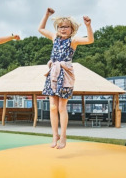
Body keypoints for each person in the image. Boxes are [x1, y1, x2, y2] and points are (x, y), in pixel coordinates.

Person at [38, 8, 94, 149]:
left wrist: (88, 26)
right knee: (52, 107)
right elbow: (40, 28)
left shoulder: (73, 41)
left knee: (62, 107)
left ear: (71, 29)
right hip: (53, 73)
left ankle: (63, 136)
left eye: (66, 27)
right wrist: (46, 15)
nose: (63, 29)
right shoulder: (54, 38)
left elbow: (90, 40)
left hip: (65, 74)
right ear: (58, 28)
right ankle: (54, 135)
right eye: (61, 26)